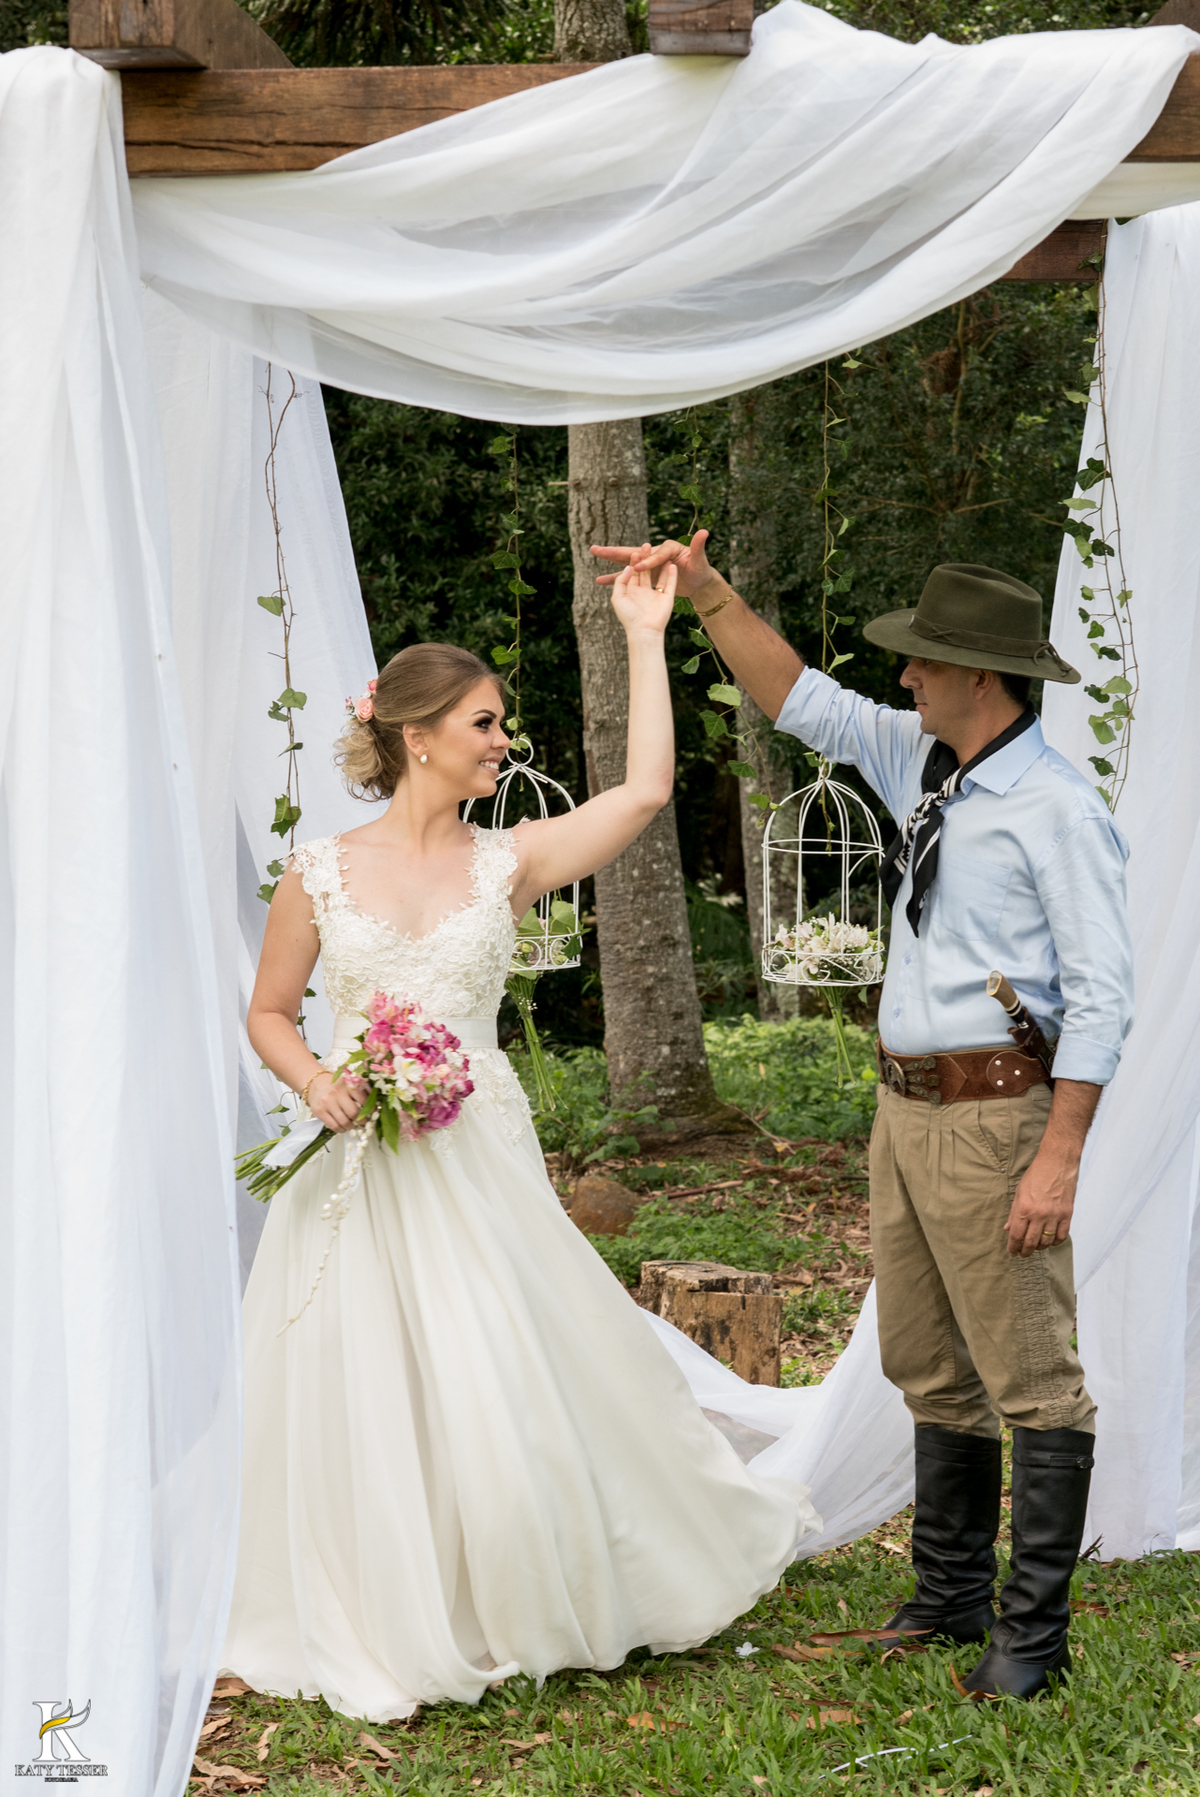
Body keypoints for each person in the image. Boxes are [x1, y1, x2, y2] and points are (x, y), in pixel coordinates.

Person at [222, 552, 819, 1721]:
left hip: (474, 1149)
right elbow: (269, 1011)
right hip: (356, 1165)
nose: (504, 741)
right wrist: (320, 1083)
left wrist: (647, 631)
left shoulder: (511, 861)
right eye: (486, 723)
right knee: (364, 1380)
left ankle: (523, 1583)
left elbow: (645, 792)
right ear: (418, 735)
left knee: (502, 1366)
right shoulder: (319, 873)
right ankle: (387, 1598)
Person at [593, 534, 1133, 1700]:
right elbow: (801, 698)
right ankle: (947, 1599)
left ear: (977, 675)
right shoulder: (925, 765)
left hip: (999, 1120)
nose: (905, 682)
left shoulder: (1054, 808)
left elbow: (1102, 997)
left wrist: (1059, 1157)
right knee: (925, 1362)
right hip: (905, 1112)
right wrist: (709, 593)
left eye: (922, 666)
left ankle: (1030, 1639)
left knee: (1031, 1375)